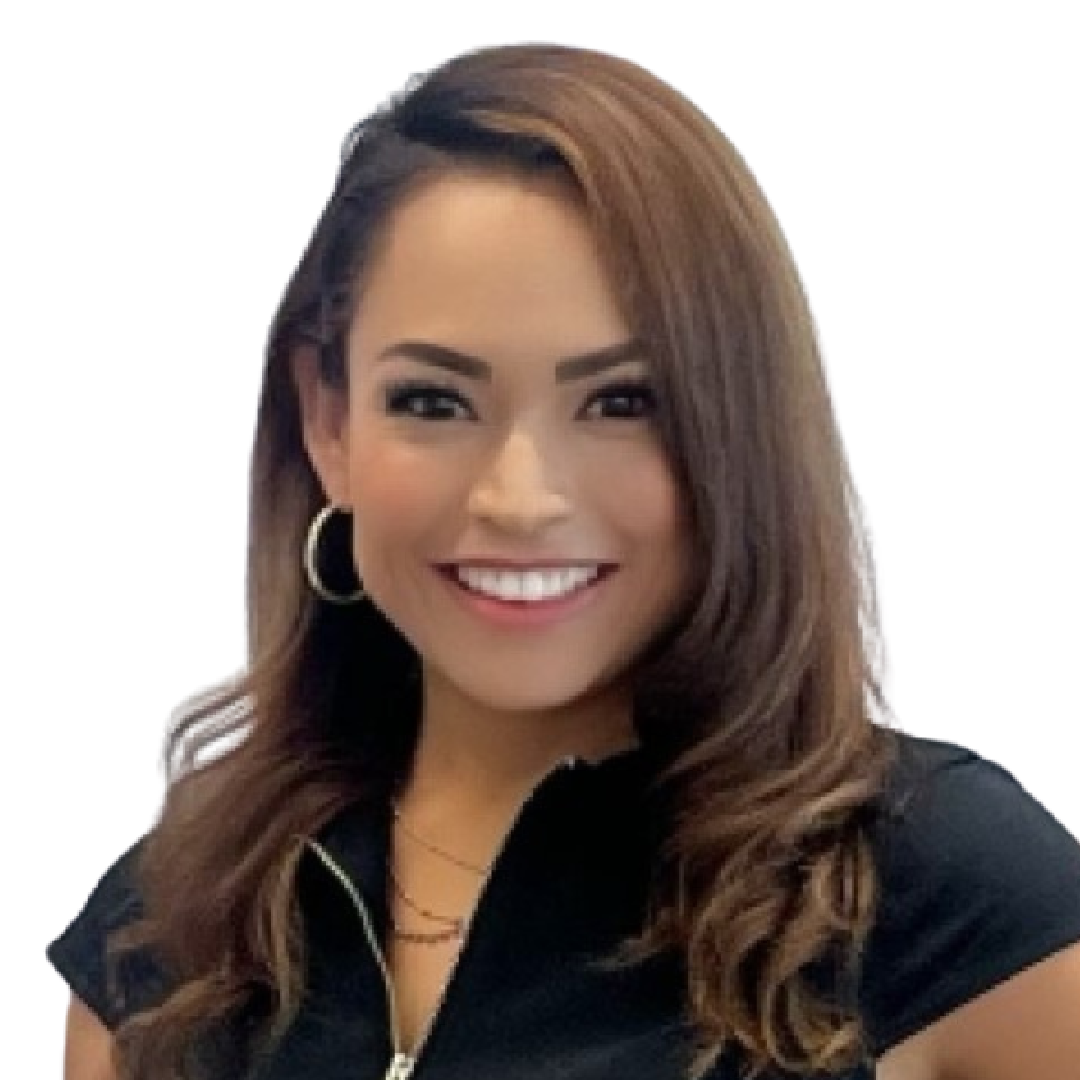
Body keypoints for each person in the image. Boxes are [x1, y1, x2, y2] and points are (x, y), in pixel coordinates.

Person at [48, 43, 1080, 1080]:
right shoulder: (165, 935)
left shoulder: (949, 900)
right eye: (434, 402)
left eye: (623, 402)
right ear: (328, 421)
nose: (521, 498)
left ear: (737, 429)